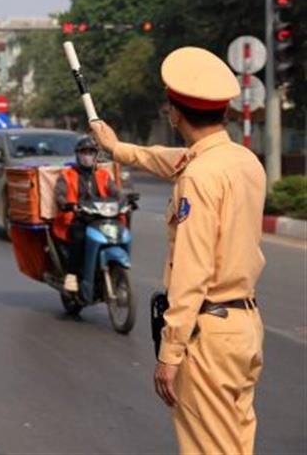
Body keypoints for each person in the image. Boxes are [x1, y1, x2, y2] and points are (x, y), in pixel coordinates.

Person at [91, 46, 266, 455]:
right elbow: (165, 159)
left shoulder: (199, 178)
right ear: (222, 110)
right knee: (235, 445)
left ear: (174, 113)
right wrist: (117, 148)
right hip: (243, 330)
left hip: (208, 334)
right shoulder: (241, 160)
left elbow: (193, 270)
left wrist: (171, 352)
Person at [53, 135, 119, 293]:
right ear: (78, 155)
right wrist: (67, 204)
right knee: (78, 237)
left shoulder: (103, 175)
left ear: (96, 155)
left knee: (119, 231)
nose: (87, 156)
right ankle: (72, 275)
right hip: (77, 217)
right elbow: (59, 195)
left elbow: (116, 192)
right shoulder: (67, 175)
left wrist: (124, 200)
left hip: (101, 217)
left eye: (91, 152)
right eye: (84, 152)